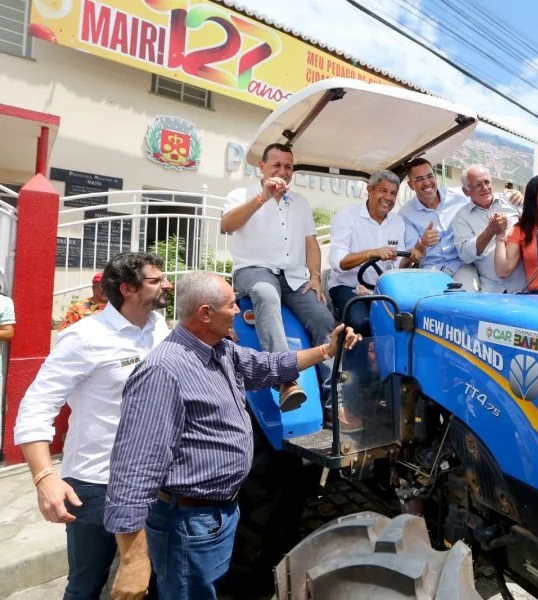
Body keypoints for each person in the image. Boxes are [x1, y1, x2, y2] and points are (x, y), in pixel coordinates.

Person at [103, 271, 360, 599]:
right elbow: (133, 469)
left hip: (217, 515)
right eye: (231, 305)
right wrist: (134, 561)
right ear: (205, 313)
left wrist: (327, 349)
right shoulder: (164, 371)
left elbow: (270, 366)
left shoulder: (220, 351)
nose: (239, 311)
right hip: (188, 523)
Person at [13, 252, 172, 600]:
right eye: (156, 280)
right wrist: (44, 478)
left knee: (152, 582)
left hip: (152, 481)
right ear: (128, 289)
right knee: (88, 584)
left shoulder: (158, 327)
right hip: (98, 484)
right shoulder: (85, 337)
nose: (167, 284)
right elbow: (36, 406)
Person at [221, 142, 336, 411]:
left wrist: (316, 276)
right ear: (261, 167)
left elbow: (311, 243)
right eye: (277, 165)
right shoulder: (242, 194)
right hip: (254, 270)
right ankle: (286, 380)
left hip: (294, 277)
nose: (283, 171)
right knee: (265, 294)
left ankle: (334, 397)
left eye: (288, 167)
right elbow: (227, 225)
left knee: (322, 315)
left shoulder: (300, 202)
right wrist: (262, 197)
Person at [328, 170, 422, 334]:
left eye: (393, 193)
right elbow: (338, 262)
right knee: (362, 323)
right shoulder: (347, 216)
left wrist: (411, 255)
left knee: (407, 320)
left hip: (380, 290)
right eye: (383, 191)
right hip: (347, 287)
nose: (388, 197)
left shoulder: (397, 222)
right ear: (370, 190)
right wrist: (371, 253)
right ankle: (357, 358)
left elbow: (397, 265)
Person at [398, 157, 479, 290]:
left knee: (467, 300)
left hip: (461, 265)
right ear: (410, 185)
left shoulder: (460, 196)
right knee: (428, 305)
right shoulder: (405, 214)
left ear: (435, 177)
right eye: (419, 179)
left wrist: (513, 195)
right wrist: (421, 244)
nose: (427, 182)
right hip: (430, 270)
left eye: (430, 176)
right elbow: (413, 255)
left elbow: (485, 196)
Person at [451, 165, 526, 293]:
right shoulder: (461, 217)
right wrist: (489, 231)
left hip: (525, 284)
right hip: (493, 290)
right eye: (478, 185)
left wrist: (525, 200)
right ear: (466, 191)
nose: (485, 188)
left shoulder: (511, 200)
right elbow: (465, 256)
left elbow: (534, 223)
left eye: (487, 182)